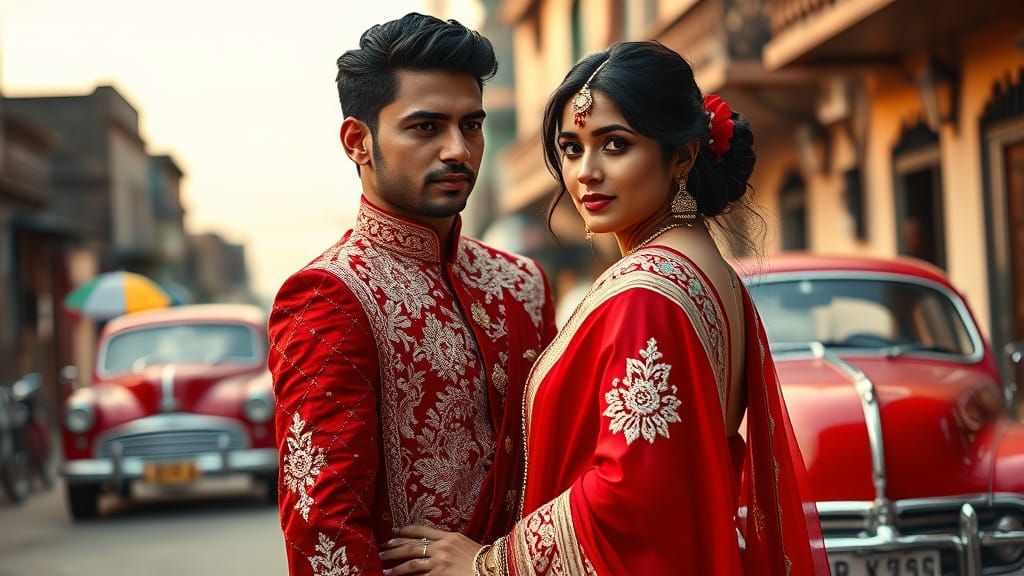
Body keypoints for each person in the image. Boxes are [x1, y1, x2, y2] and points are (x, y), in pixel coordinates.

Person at [382, 41, 830, 575]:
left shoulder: (647, 293)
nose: (586, 172)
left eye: (615, 145)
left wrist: (491, 564)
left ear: (682, 156)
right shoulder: (711, 272)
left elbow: (631, 491)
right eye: (571, 149)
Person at [267, 13, 556, 576]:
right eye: (426, 127)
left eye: (471, 125)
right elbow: (324, 529)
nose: (458, 150)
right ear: (359, 142)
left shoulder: (522, 283)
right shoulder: (330, 296)